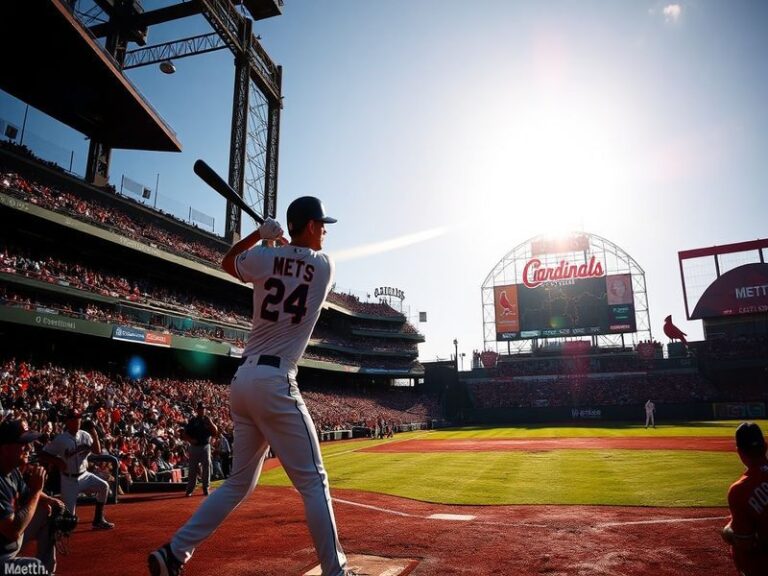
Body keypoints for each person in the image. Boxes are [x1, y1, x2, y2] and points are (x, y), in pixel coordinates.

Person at [149, 197, 351, 576]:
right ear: (308, 225)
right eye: (321, 224)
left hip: (243, 381)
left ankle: (175, 552)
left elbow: (227, 262)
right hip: (277, 381)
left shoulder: (262, 257)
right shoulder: (325, 265)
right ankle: (335, 571)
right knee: (314, 482)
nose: (325, 230)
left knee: (238, 483)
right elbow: (298, 267)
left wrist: (259, 237)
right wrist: (274, 242)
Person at [0, 419, 65, 573]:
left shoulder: (12, 470)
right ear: (4, 448)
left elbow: (27, 493)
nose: (29, 447)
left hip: (8, 545)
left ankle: (49, 571)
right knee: (35, 569)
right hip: (2, 557)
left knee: (46, 511)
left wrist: (49, 500)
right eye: (23, 443)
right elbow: (12, 531)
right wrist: (36, 491)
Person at [39, 408, 115, 530]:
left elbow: (97, 451)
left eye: (79, 417)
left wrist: (94, 432)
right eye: (74, 418)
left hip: (85, 475)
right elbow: (43, 454)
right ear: (68, 421)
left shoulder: (85, 435)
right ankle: (49, 525)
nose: (77, 420)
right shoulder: (61, 439)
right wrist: (57, 461)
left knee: (104, 486)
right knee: (69, 521)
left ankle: (98, 520)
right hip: (69, 480)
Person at [722, 422, 768, 575]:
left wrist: (727, 531)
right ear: (765, 446)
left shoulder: (740, 490)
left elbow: (745, 543)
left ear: (739, 452)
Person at [182, 402, 218, 497]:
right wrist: (190, 440)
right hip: (194, 447)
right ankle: (190, 489)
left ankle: (206, 488)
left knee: (206, 468)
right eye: (201, 409)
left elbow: (215, 431)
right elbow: (185, 434)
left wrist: (210, 422)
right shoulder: (193, 420)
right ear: (197, 410)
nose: (203, 410)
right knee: (192, 469)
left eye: (204, 409)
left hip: (205, 446)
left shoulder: (207, 420)